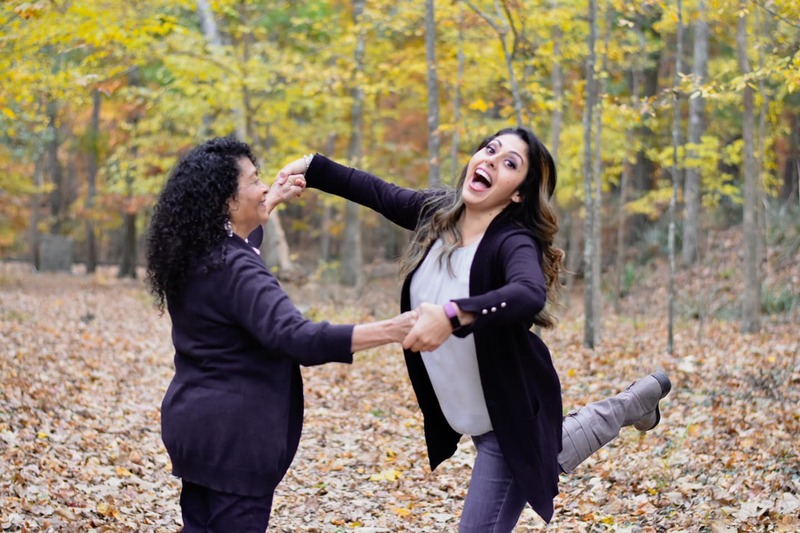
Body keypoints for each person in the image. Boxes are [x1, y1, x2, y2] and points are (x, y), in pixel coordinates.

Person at [278, 127, 671, 530]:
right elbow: (375, 191)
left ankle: (630, 404)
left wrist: (454, 314)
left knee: (525, 460)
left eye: (510, 163)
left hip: (510, 414)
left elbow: (528, 293)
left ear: (518, 192)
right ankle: (633, 402)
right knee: (546, 450)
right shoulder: (440, 214)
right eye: (490, 149)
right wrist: (311, 166)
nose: (491, 161)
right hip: (477, 410)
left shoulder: (513, 242)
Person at [144, 136, 417, 532]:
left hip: (195, 429)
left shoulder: (195, 250)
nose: (265, 187)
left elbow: (236, 247)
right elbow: (298, 337)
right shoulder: (236, 268)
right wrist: (394, 328)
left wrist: (266, 206)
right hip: (234, 439)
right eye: (255, 181)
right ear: (224, 201)